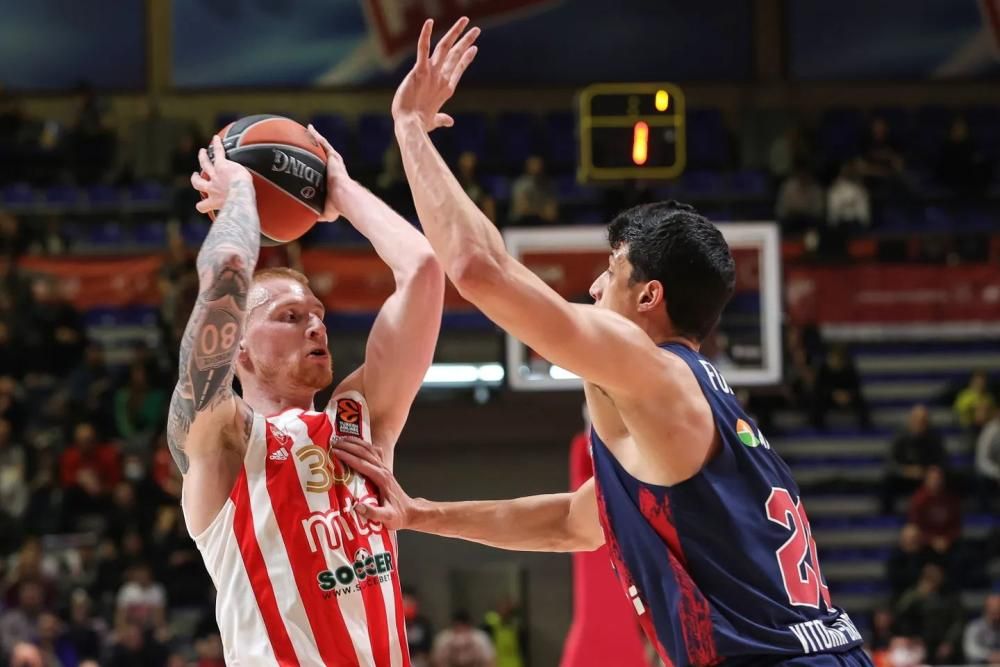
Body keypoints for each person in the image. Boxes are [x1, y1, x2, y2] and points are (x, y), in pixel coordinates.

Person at [332, 18, 869, 667]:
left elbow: (478, 270)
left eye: (610, 272)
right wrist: (421, 513)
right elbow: (573, 524)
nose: (590, 287)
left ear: (650, 296)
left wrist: (410, 129)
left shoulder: (654, 368)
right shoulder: (690, 414)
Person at [174, 129, 444, 665]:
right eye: (290, 318)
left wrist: (339, 191)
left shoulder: (359, 417)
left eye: (318, 316)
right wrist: (244, 201)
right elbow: (220, 294)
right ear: (239, 346)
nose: (316, 327)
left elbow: (423, 270)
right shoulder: (224, 438)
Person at [880, 405, 947, 514]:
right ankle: (886, 515)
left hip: (926, 477)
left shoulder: (934, 438)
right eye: (917, 420)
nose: (920, 424)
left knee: (948, 480)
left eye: (923, 421)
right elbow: (890, 462)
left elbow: (942, 460)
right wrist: (905, 471)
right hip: (904, 476)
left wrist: (930, 472)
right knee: (887, 481)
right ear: (910, 420)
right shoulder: (900, 436)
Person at [962, 593, 1000, 665]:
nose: (996, 616)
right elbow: (970, 650)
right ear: (986, 610)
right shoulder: (974, 627)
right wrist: (990, 656)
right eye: (993, 612)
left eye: (998, 611)